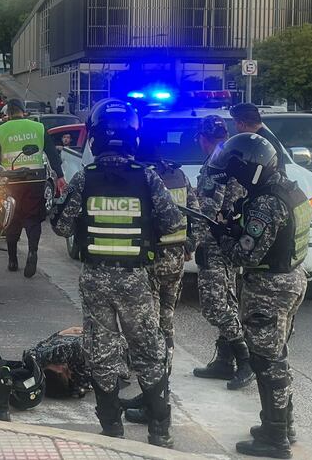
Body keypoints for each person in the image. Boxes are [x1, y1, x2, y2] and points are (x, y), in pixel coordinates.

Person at [52, 98, 183, 448]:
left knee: (102, 350)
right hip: (136, 279)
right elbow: (173, 224)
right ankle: (161, 432)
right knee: (148, 352)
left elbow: (62, 227)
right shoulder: (148, 178)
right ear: (133, 137)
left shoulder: (85, 178)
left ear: (94, 140)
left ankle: (112, 431)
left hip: (96, 279)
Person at [207, 133, 310, 459]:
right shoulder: (290, 189)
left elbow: (245, 255)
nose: (235, 178)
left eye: (238, 172)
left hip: (270, 289)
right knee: (276, 357)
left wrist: (221, 236)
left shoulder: (266, 203)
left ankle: (276, 437)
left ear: (251, 169)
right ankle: (279, 423)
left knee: (267, 363)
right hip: (291, 280)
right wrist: (238, 227)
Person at [121, 135, 200, 425]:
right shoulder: (177, 174)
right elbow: (197, 214)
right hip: (176, 260)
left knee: (148, 331)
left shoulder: (143, 178)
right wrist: (191, 244)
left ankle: (154, 400)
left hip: (150, 261)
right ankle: (158, 389)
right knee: (165, 322)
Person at [191, 116, 255, 391]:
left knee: (216, 304)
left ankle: (246, 359)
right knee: (228, 298)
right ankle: (225, 360)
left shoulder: (216, 164)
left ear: (202, 139)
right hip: (231, 239)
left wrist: (194, 240)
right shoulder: (234, 157)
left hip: (215, 241)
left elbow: (207, 209)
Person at [0, 99, 66, 278]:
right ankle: (32, 252)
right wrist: (60, 176)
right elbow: (52, 154)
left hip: (10, 182)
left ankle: (13, 260)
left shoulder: (0, 131)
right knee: (32, 218)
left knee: (13, 218)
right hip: (35, 180)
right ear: (24, 112)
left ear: (8, 113)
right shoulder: (38, 128)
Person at [230, 103, 287, 176]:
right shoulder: (262, 138)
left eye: (234, 124)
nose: (235, 128)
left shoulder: (261, 143)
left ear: (242, 124)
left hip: (269, 186)